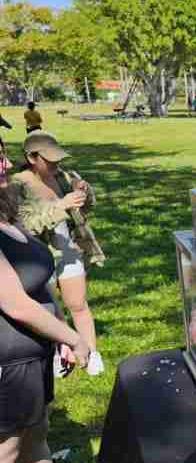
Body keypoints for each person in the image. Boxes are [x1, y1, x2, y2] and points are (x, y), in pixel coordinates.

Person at [0, 181, 90, 463]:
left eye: (1, 153)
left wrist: (58, 334)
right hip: (7, 364)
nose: (2, 163)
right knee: (3, 455)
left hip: (32, 355)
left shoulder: (7, 216)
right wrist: (74, 337)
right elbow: (16, 305)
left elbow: (36, 289)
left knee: (36, 432)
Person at [13, 132, 106, 376]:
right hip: (38, 255)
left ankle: (91, 352)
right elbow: (28, 226)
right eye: (49, 159)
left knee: (78, 304)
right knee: (51, 310)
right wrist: (61, 206)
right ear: (32, 158)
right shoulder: (18, 185)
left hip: (68, 247)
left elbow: (87, 209)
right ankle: (59, 353)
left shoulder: (65, 176)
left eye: (57, 158)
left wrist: (86, 193)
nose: (56, 164)